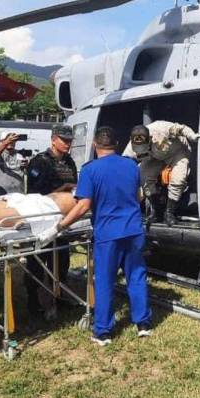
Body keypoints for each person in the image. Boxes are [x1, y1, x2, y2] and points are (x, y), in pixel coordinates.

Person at [59, 126, 150, 346]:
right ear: (116, 145)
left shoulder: (90, 170)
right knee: (136, 275)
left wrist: (61, 225)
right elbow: (139, 196)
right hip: (133, 229)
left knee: (105, 280)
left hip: (108, 233)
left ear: (94, 145)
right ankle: (143, 325)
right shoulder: (131, 165)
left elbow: (83, 206)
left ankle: (103, 331)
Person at [26, 124, 77, 316]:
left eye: (70, 141)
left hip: (63, 219)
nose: (68, 144)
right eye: (64, 140)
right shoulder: (40, 162)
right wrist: (60, 189)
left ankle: (58, 296)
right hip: (41, 218)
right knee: (37, 262)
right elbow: (33, 193)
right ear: (53, 139)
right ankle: (33, 302)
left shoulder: (69, 162)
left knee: (61, 262)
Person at [123, 121, 200, 226]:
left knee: (178, 179)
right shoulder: (131, 146)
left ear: (150, 139)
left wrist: (192, 136)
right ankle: (156, 211)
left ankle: (169, 213)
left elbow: (182, 129)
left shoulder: (161, 128)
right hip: (154, 157)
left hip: (177, 151)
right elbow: (125, 163)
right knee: (143, 178)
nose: (140, 151)